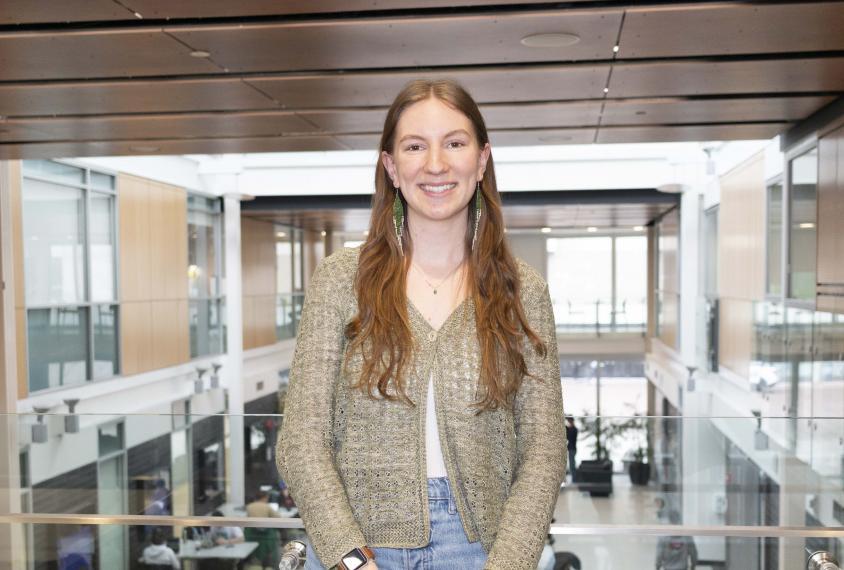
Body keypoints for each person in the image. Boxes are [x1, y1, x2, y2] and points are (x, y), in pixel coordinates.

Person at [278, 78, 566, 570]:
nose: (436, 164)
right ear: (391, 166)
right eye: (415, 146)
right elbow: (301, 440)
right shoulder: (339, 282)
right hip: (363, 545)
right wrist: (351, 560)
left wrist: (509, 564)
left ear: (481, 160)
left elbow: (543, 448)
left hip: (483, 550)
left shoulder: (523, 290)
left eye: (455, 143)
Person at [245, 491, 281, 570]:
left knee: (256, 558)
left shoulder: (249, 506)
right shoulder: (267, 506)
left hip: (253, 536)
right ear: (265, 498)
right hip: (267, 537)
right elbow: (278, 518)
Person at [565, 416, 579, 482]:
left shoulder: (574, 429)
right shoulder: (572, 429)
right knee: (572, 464)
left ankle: (574, 480)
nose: (568, 422)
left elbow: (569, 436)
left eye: (569, 421)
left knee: (572, 465)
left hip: (572, 449)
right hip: (571, 449)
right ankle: (574, 479)